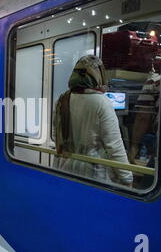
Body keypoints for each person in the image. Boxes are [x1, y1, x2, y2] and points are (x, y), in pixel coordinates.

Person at [53, 55, 133, 186]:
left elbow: (56, 134)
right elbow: (114, 146)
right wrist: (127, 177)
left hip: (64, 166)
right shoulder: (102, 102)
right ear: (98, 76)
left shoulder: (62, 99)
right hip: (92, 173)